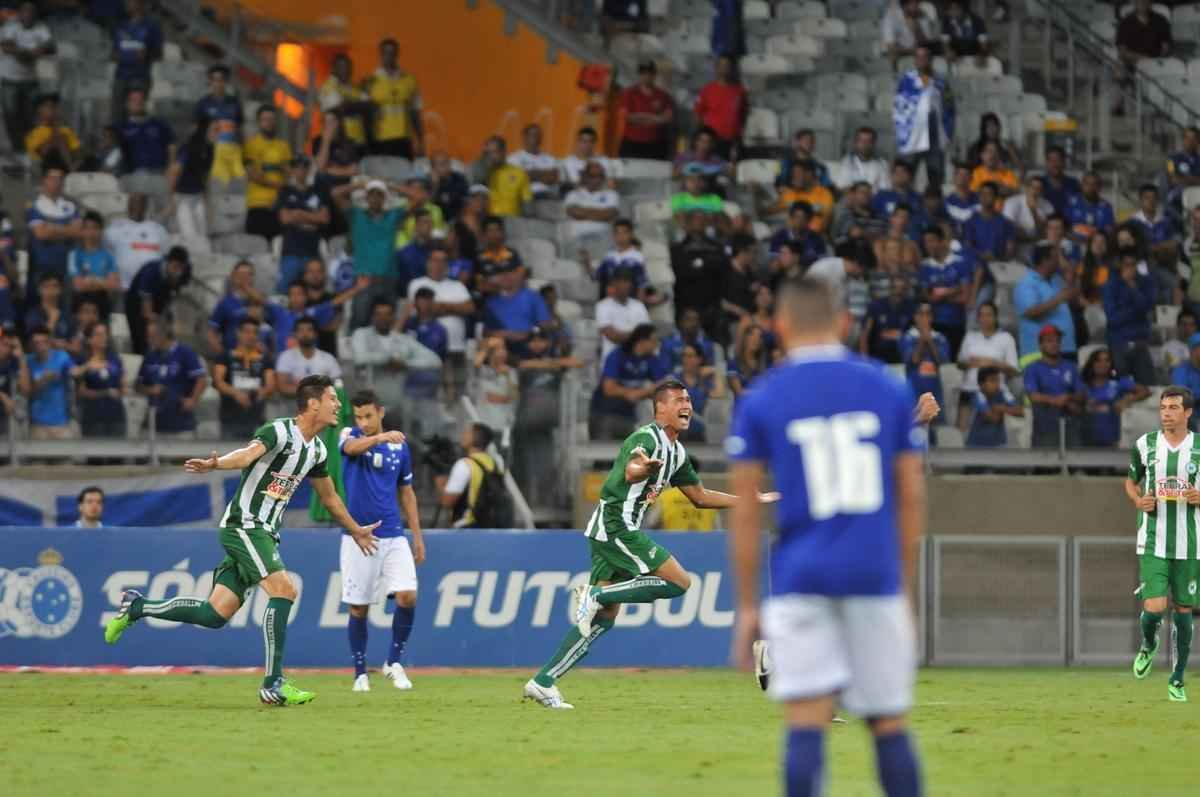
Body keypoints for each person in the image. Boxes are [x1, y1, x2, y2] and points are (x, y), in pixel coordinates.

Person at [726, 276, 926, 795]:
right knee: (887, 722)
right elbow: (911, 494)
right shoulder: (886, 386)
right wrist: (903, 584)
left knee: (806, 720)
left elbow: (746, 506)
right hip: (873, 574)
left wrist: (748, 605)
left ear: (779, 326)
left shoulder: (763, 397)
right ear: (843, 323)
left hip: (801, 576)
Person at [104, 374, 384, 707]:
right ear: (312, 403)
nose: (338, 404)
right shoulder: (279, 431)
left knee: (215, 614)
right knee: (285, 590)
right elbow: (248, 455)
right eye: (332, 399)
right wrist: (216, 463)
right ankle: (273, 683)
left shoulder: (318, 450)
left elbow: (330, 497)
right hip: (245, 526)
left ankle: (137, 606)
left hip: (265, 533)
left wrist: (355, 528)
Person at [525, 378, 779, 709]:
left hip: (608, 530)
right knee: (679, 581)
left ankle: (543, 681)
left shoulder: (676, 453)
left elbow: (699, 497)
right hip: (617, 526)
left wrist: (746, 500)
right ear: (660, 408)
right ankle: (595, 595)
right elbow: (633, 467)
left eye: (688, 400)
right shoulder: (646, 437)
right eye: (678, 400)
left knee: (603, 619)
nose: (687, 405)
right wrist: (640, 468)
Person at [339, 390, 425, 692]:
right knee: (359, 608)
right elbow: (350, 449)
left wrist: (416, 535)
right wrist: (379, 437)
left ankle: (393, 662)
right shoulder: (349, 435)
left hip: (393, 533)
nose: (362, 422)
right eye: (358, 416)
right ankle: (360, 672)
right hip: (359, 537)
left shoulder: (400, 449)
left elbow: (406, 492)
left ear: (381, 412)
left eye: (368, 416)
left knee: (408, 595)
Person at [1127, 385, 1197, 703]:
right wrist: (1138, 499)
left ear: (1188, 413)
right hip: (1153, 540)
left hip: (1190, 544)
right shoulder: (1145, 445)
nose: (1166, 413)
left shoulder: (1198, 448)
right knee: (1155, 607)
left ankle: (1177, 678)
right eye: (1163, 407)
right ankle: (1148, 643)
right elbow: (1130, 481)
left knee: (1183, 610)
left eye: (1173, 407)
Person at [331, 178, 403, 328]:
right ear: (366, 197)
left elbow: (421, 198)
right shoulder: (356, 215)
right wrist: (359, 185)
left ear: (384, 198)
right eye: (371, 194)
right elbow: (335, 193)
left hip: (389, 278)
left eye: (379, 194)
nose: (375, 198)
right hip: (365, 279)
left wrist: (391, 185)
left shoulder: (393, 216)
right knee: (359, 322)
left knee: (389, 326)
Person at [589, 323, 667, 440]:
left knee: (627, 456)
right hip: (605, 413)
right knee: (604, 455)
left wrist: (639, 393)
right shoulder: (617, 355)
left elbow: (663, 384)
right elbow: (608, 389)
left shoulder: (651, 359)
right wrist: (639, 392)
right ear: (642, 341)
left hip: (629, 415)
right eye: (654, 340)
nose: (657, 344)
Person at [893, 44, 953, 190]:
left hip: (935, 134)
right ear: (915, 60)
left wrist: (948, 133)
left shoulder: (941, 82)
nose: (921, 60)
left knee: (936, 176)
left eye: (925, 57)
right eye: (918, 57)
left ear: (930, 60)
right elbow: (899, 108)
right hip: (913, 133)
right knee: (907, 175)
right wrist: (903, 135)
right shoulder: (906, 81)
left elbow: (950, 108)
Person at [136, 318, 206, 438]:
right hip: (155, 419)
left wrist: (193, 400)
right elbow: (138, 385)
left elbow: (201, 378)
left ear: (163, 335)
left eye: (152, 336)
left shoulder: (185, 352)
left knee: (183, 455)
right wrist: (151, 390)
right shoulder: (150, 356)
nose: (148, 340)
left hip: (180, 416)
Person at [0, 2, 54, 155]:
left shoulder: (41, 27)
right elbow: (6, 46)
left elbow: (49, 45)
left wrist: (23, 52)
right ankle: (17, 148)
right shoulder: (11, 26)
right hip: (10, 79)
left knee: (31, 115)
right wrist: (29, 53)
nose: (28, 14)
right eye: (25, 10)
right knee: (11, 115)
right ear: (20, 12)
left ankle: (29, 148)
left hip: (30, 80)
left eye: (31, 11)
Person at [213, 317, 277, 440]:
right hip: (230, 418)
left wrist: (262, 392)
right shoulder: (225, 356)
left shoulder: (265, 359)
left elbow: (270, 384)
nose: (251, 336)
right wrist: (236, 393)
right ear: (238, 333)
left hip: (257, 418)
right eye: (247, 332)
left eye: (255, 332)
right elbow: (218, 381)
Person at [957, 301, 1017, 425]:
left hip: (994, 393)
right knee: (961, 434)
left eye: (989, 315)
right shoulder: (970, 337)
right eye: (981, 315)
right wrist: (969, 363)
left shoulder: (1006, 338)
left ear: (995, 317)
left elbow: (1013, 370)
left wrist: (991, 363)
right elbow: (960, 363)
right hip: (969, 389)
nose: (985, 319)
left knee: (990, 433)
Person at [1103, 249, 1157, 387]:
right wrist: (1135, 311)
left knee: (1148, 388)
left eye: (1133, 265)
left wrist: (1132, 288)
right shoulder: (1110, 285)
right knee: (1122, 389)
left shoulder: (1145, 282)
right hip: (1119, 344)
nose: (1130, 269)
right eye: (1127, 265)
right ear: (1120, 265)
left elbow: (1147, 307)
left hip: (1140, 343)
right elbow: (1113, 319)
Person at [1023, 324, 1083, 448]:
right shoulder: (1033, 368)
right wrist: (1055, 400)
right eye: (1049, 341)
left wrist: (1068, 398)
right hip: (1044, 422)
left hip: (1070, 420)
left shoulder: (1071, 366)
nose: (1054, 344)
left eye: (1057, 340)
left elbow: (1081, 393)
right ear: (1040, 345)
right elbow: (1033, 396)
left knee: (1075, 460)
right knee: (1045, 462)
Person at [26, 165, 82, 295]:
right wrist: (66, 230)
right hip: (41, 267)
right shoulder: (34, 206)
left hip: (66, 268)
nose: (57, 182)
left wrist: (52, 228)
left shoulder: (71, 206)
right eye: (53, 178)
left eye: (60, 179)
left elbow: (78, 232)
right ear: (44, 180)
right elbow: (41, 234)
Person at [1013, 243, 1076, 359]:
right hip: (1038, 352)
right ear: (1044, 261)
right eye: (1056, 258)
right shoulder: (1027, 283)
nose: (1059, 262)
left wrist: (1069, 271)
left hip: (1065, 347)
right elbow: (1030, 312)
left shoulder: (1057, 280)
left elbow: (1072, 296)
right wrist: (1058, 299)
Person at [126, 245, 191, 356]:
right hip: (137, 303)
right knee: (142, 337)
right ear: (168, 262)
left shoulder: (185, 272)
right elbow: (146, 310)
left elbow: (174, 295)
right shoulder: (151, 272)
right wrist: (156, 322)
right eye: (175, 267)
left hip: (160, 298)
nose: (178, 272)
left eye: (181, 268)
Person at [918, 225, 972, 358]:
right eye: (926, 242)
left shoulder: (960, 263)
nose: (928, 245)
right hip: (934, 326)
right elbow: (927, 297)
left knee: (953, 363)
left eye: (931, 241)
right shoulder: (925, 267)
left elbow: (965, 297)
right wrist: (954, 290)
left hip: (957, 322)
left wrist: (942, 295)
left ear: (942, 241)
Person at [1080, 346, 1149, 448]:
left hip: (1112, 440)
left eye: (1107, 361)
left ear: (1111, 364)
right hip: (1087, 439)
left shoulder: (1118, 383)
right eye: (1098, 361)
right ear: (1092, 364)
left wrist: (1126, 400)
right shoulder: (1083, 386)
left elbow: (1145, 391)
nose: (1102, 364)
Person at [439, 422, 504, 529]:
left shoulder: (464, 465)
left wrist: (440, 478)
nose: (462, 435)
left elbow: (447, 501)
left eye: (467, 432)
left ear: (474, 438)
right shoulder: (496, 463)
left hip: (466, 526)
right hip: (490, 525)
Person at [365, 38, 423, 158]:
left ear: (397, 54)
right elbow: (365, 115)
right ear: (380, 54)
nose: (389, 56)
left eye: (392, 53)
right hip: (380, 139)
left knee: (405, 174)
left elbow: (415, 112)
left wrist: (420, 140)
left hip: (404, 138)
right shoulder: (370, 81)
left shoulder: (409, 80)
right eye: (385, 53)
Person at [73, 321, 126, 440]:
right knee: (95, 456)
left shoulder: (115, 358)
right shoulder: (83, 360)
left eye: (105, 334)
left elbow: (122, 385)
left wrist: (122, 389)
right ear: (89, 339)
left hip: (116, 414)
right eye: (98, 334)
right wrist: (105, 393)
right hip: (93, 416)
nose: (103, 338)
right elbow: (80, 392)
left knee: (117, 455)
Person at [111, 0, 161, 123]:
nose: (127, 3)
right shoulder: (121, 25)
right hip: (121, 76)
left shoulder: (151, 26)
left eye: (130, 1)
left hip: (140, 77)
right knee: (116, 116)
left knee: (136, 117)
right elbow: (114, 52)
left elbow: (159, 54)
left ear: (140, 3)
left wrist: (147, 54)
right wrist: (118, 55)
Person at [20, 325, 74, 439]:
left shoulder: (62, 356)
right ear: (31, 344)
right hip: (38, 424)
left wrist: (86, 366)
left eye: (43, 342)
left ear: (49, 341)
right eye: (36, 343)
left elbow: (74, 371)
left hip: (61, 423)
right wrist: (42, 381)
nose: (40, 346)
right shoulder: (27, 361)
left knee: (67, 455)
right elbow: (26, 392)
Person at [193, 65, 244, 183]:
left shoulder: (234, 102)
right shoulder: (203, 104)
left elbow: (240, 129)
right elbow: (196, 130)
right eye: (215, 80)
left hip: (231, 151)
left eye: (221, 80)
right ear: (210, 81)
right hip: (210, 152)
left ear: (226, 82)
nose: (218, 83)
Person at [900, 301, 950, 417]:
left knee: (935, 430)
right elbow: (914, 359)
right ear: (915, 317)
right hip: (914, 390)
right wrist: (923, 338)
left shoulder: (940, 338)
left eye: (928, 314)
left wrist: (930, 340)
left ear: (932, 317)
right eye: (921, 314)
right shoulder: (908, 337)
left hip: (934, 391)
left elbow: (941, 361)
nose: (924, 318)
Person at [167, 122, 216, 240]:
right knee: (190, 235)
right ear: (204, 132)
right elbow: (174, 172)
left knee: (203, 235)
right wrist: (171, 200)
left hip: (198, 196)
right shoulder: (188, 148)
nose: (217, 134)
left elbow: (204, 176)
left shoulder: (210, 150)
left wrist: (206, 201)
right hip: (182, 197)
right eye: (214, 130)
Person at [693, 54, 747, 160]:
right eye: (721, 65)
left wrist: (738, 135)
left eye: (727, 65)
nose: (724, 68)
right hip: (712, 142)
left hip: (732, 141)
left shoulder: (740, 91)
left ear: (732, 68)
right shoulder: (707, 90)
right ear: (716, 68)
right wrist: (703, 139)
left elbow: (743, 114)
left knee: (729, 172)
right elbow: (697, 114)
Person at [68, 212, 119, 318]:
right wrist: (102, 282)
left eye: (95, 228)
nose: (91, 232)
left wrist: (90, 280)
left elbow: (113, 285)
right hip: (80, 305)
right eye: (87, 228)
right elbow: (78, 285)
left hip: (102, 305)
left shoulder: (109, 255)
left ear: (101, 231)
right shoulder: (74, 254)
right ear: (82, 231)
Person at [619, 61, 673, 160]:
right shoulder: (629, 93)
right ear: (639, 75)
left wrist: (640, 117)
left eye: (650, 73)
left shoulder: (663, 95)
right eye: (643, 73)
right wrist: (656, 118)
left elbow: (667, 118)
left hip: (656, 144)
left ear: (654, 75)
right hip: (632, 143)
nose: (647, 76)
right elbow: (627, 117)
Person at [276, 316, 342, 397]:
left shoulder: (328, 359)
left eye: (309, 330)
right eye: (301, 330)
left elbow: (338, 387)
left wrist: (301, 389)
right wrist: (317, 391)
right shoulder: (285, 357)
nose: (305, 334)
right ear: (295, 334)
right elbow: (283, 387)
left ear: (316, 334)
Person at [596, 267, 650, 363]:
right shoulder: (603, 306)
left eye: (628, 281)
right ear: (614, 283)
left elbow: (647, 335)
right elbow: (612, 336)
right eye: (623, 281)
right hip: (612, 362)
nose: (626, 285)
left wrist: (628, 335)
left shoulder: (639, 306)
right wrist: (636, 336)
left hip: (636, 362)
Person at [318, 53, 370, 148]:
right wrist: (357, 106)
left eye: (348, 67)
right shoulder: (328, 87)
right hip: (339, 143)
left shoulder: (353, 88)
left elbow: (369, 104)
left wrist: (351, 105)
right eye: (341, 67)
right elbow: (340, 109)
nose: (345, 70)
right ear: (334, 69)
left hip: (358, 142)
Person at [861, 275, 916, 364]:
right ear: (890, 289)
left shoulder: (911, 306)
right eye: (895, 288)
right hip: (879, 353)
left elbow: (917, 331)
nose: (899, 292)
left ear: (906, 290)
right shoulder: (876, 305)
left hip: (902, 353)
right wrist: (864, 360)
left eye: (902, 289)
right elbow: (865, 334)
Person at [118, 88, 175, 173]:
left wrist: (171, 168)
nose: (138, 102)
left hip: (159, 173)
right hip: (133, 175)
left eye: (141, 100)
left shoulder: (160, 125)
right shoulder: (122, 128)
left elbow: (171, 146)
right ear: (127, 104)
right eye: (134, 100)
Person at [473, 136, 532, 217]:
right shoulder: (482, 171)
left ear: (504, 152)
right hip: (488, 220)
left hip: (512, 220)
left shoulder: (519, 173)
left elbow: (527, 202)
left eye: (495, 152)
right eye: (488, 153)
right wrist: (485, 165)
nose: (492, 156)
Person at [967, 365, 1022, 447]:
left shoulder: (1003, 393)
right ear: (981, 384)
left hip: (1000, 444)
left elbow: (1021, 412)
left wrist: (1000, 408)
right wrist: (1007, 409)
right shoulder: (977, 395)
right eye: (993, 381)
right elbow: (992, 418)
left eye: (998, 380)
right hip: (977, 445)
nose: (997, 384)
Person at [564, 161, 620, 241]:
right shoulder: (573, 194)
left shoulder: (612, 194)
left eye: (600, 176)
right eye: (592, 176)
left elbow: (609, 214)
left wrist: (583, 212)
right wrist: (600, 213)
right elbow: (573, 212)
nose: (597, 179)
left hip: (603, 238)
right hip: (577, 238)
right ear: (585, 176)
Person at [25, 93, 80, 169]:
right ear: (39, 109)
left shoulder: (66, 130)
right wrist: (56, 130)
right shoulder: (33, 134)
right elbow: (43, 153)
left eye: (55, 106)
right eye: (50, 106)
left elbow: (77, 153)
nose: (54, 110)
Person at [507, 123, 561, 199]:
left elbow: (553, 177)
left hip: (547, 196)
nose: (537, 138)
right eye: (533, 135)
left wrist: (530, 174)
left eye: (539, 135)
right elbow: (517, 179)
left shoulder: (550, 159)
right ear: (525, 137)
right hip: (526, 198)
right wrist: (544, 174)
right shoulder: (514, 158)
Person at [1066, 171, 1116, 244]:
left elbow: (1109, 231)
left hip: (1096, 246)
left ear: (1100, 187)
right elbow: (1064, 228)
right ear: (1081, 185)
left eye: (1095, 184)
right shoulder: (1071, 203)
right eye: (1087, 184)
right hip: (1073, 243)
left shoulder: (1106, 207)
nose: (1091, 188)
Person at [1003, 176, 1052, 245]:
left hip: (1037, 243)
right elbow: (1007, 228)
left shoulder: (1047, 205)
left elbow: (1046, 230)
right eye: (1033, 187)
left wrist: (1034, 211)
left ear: (1042, 191)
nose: (1035, 191)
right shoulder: (1011, 202)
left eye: (1039, 189)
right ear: (1027, 188)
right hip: (1016, 243)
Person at [838, 126, 891, 192]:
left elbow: (885, 189)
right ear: (855, 143)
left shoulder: (882, 164)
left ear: (874, 144)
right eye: (861, 140)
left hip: (874, 200)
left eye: (868, 141)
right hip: (854, 200)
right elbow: (842, 188)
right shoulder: (847, 162)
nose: (865, 144)